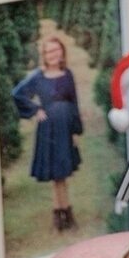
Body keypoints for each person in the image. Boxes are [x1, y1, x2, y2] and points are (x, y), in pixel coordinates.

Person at [11, 28, 85, 234]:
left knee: (64, 174)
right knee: (56, 176)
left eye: (56, 50)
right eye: (49, 51)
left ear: (62, 52)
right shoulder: (38, 76)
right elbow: (17, 94)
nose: (53, 55)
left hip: (65, 128)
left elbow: (74, 103)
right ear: (44, 55)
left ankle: (67, 213)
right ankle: (59, 215)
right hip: (49, 130)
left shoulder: (67, 75)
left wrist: (75, 131)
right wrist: (36, 110)